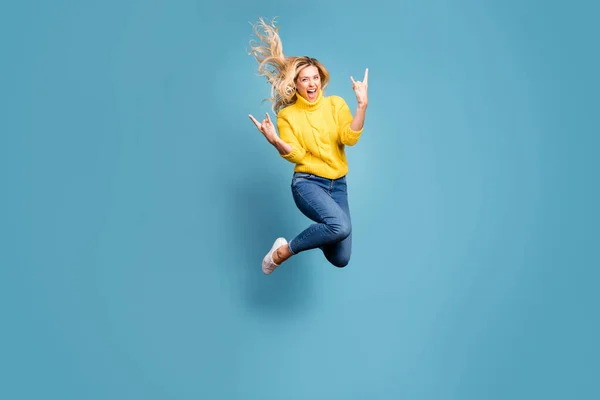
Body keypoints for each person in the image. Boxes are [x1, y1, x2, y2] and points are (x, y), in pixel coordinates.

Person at [247, 17, 369, 275]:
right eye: (305, 79)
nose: (312, 83)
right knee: (340, 227)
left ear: (321, 80)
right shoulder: (288, 115)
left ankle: (324, 231)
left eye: (315, 77)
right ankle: (283, 252)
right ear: (297, 84)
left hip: (338, 185)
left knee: (341, 258)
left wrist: (362, 106)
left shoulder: (335, 104)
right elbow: (298, 154)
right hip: (308, 183)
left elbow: (349, 137)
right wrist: (276, 141)